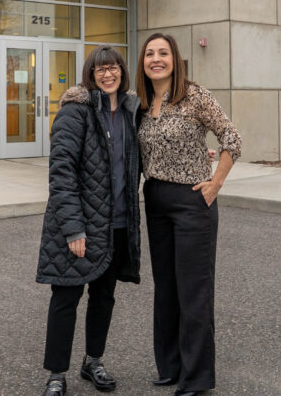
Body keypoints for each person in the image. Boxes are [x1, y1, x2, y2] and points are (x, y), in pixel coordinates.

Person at [137, 33, 242, 396]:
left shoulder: (195, 96)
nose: (156, 59)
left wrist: (215, 184)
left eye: (163, 53)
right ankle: (170, 367)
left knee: (193, 291)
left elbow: (231, 138)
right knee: (166, 289)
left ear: (175, 59)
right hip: (155, 200)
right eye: (150, 54)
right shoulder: (142, 103)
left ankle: (196, 378)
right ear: (143, 62)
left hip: (192, 202)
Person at [36, 46, 142, 395]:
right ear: (91, 75)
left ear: (122, 71)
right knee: (65, 298)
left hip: (117, 224)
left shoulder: (131, 112)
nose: (108, 74)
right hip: (78, 225)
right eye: (100, 69)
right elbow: (61, 173)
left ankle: (93, 360)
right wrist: (73, 229)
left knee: (103, 297)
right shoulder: (74, 112)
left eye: (113, 68)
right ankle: (56, 374)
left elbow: (148, 156)